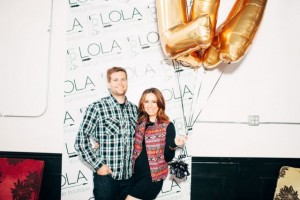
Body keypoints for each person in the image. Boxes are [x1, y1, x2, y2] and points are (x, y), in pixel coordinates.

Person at [75, 66, 138, 200]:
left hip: (130, 178)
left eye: (123, 79)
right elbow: (80, 141)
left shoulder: (135, 110)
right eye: (115, 80)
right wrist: (98, 166)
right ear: (108, 84)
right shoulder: (97, 107)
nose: (120, 83)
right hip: (107, 179)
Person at [126, 87, 187, 200]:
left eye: (154, 101)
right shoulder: (139, 123)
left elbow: (168, 157)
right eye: (147, 101)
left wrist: (173, 144)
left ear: (160, 103)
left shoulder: (167, 126)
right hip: (134, 175)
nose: (150, 105)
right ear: (142, 104)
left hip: (153, 177)